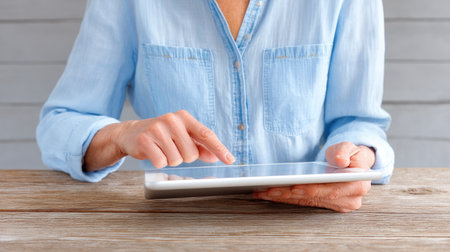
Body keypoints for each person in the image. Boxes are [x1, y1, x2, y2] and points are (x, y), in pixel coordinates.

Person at [37, 0, 394, 212]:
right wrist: (120, 135)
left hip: (305, 227)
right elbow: (61, 123)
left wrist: (359, 157)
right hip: (175, 231)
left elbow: (358, 121)